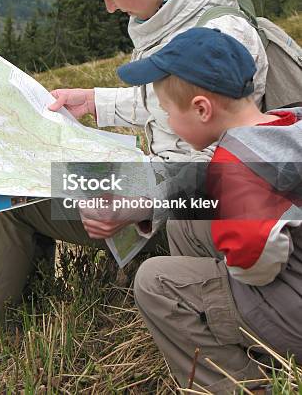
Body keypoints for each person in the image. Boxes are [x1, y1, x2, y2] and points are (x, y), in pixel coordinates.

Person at [0, 0, 268, 346]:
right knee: (23, 185)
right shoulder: (183, 13)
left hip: (185, 217)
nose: (111, 8)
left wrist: (136, 202)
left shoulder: (218, 36)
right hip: (160, 185)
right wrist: (95, 102)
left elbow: (224, 180)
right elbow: (171, 102)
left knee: (9, 195)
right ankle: (13, 325)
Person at [116, 27, 302, 394]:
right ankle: (226, 326)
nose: (168, 122)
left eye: (169, 112)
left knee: (155, 283)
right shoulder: (287, 123)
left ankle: (250, 382)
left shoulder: (235, 168)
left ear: (202, 109)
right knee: (186, 223)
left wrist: (233, 269)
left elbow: (258, 259)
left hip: (293, 308)